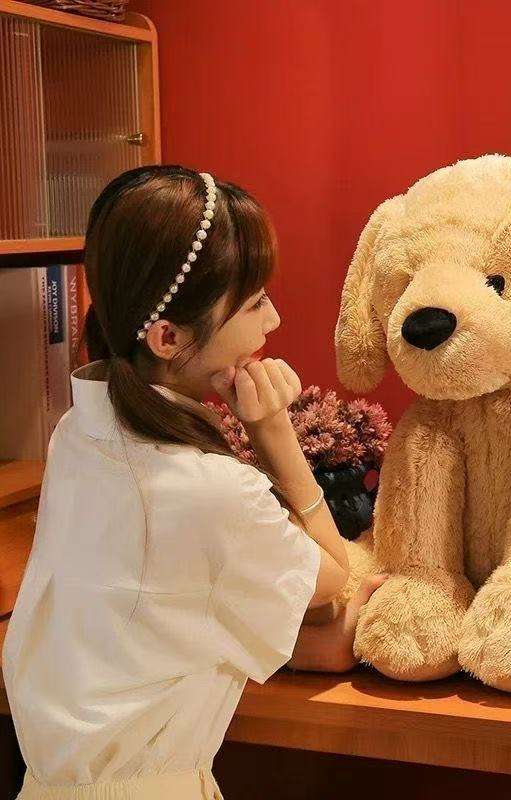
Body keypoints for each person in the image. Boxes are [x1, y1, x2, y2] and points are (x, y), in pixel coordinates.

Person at [1, 166, 386, 799]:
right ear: (168, 336)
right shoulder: (208, 491)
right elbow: (334, 578)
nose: (273, 321)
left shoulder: (78, 433)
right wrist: (273, 432)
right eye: (254, 303)